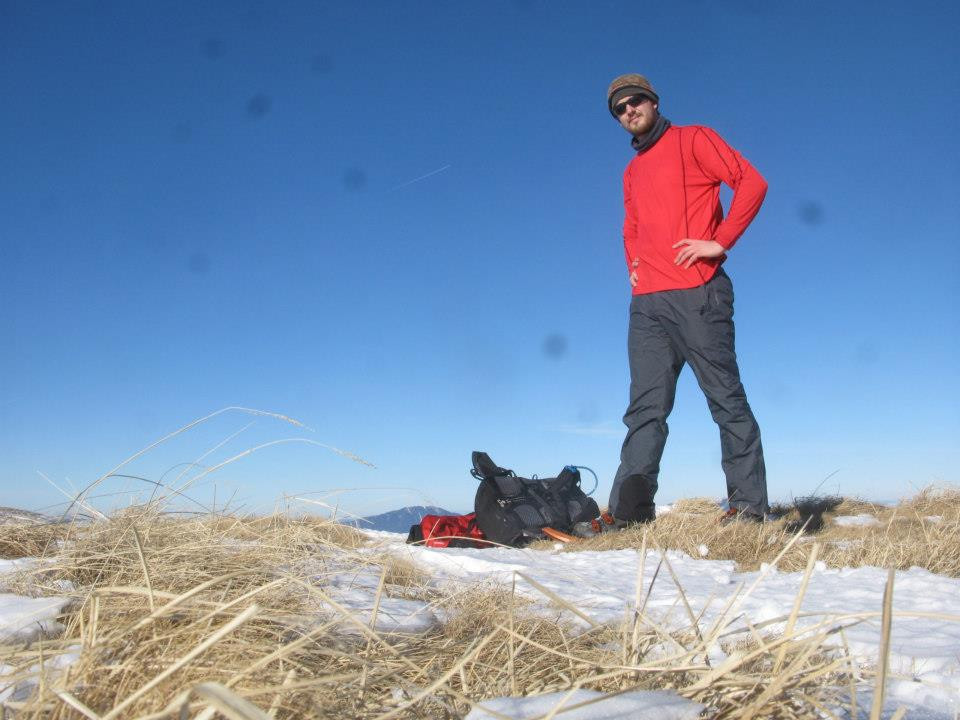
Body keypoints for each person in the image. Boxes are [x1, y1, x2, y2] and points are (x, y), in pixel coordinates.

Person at [605, 74, 770, 525]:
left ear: (653, 102)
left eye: (635, 101)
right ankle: (629, 515)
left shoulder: (693, 139)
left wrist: (721, 241)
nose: (628, 111)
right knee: (645, 410)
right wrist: (633, 268)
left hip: (699, 293)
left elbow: (752, 183)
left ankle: (748, 510)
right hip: (647, 305)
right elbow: (631, 226)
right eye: (619, 108)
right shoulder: (632, 170)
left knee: (725, 399)